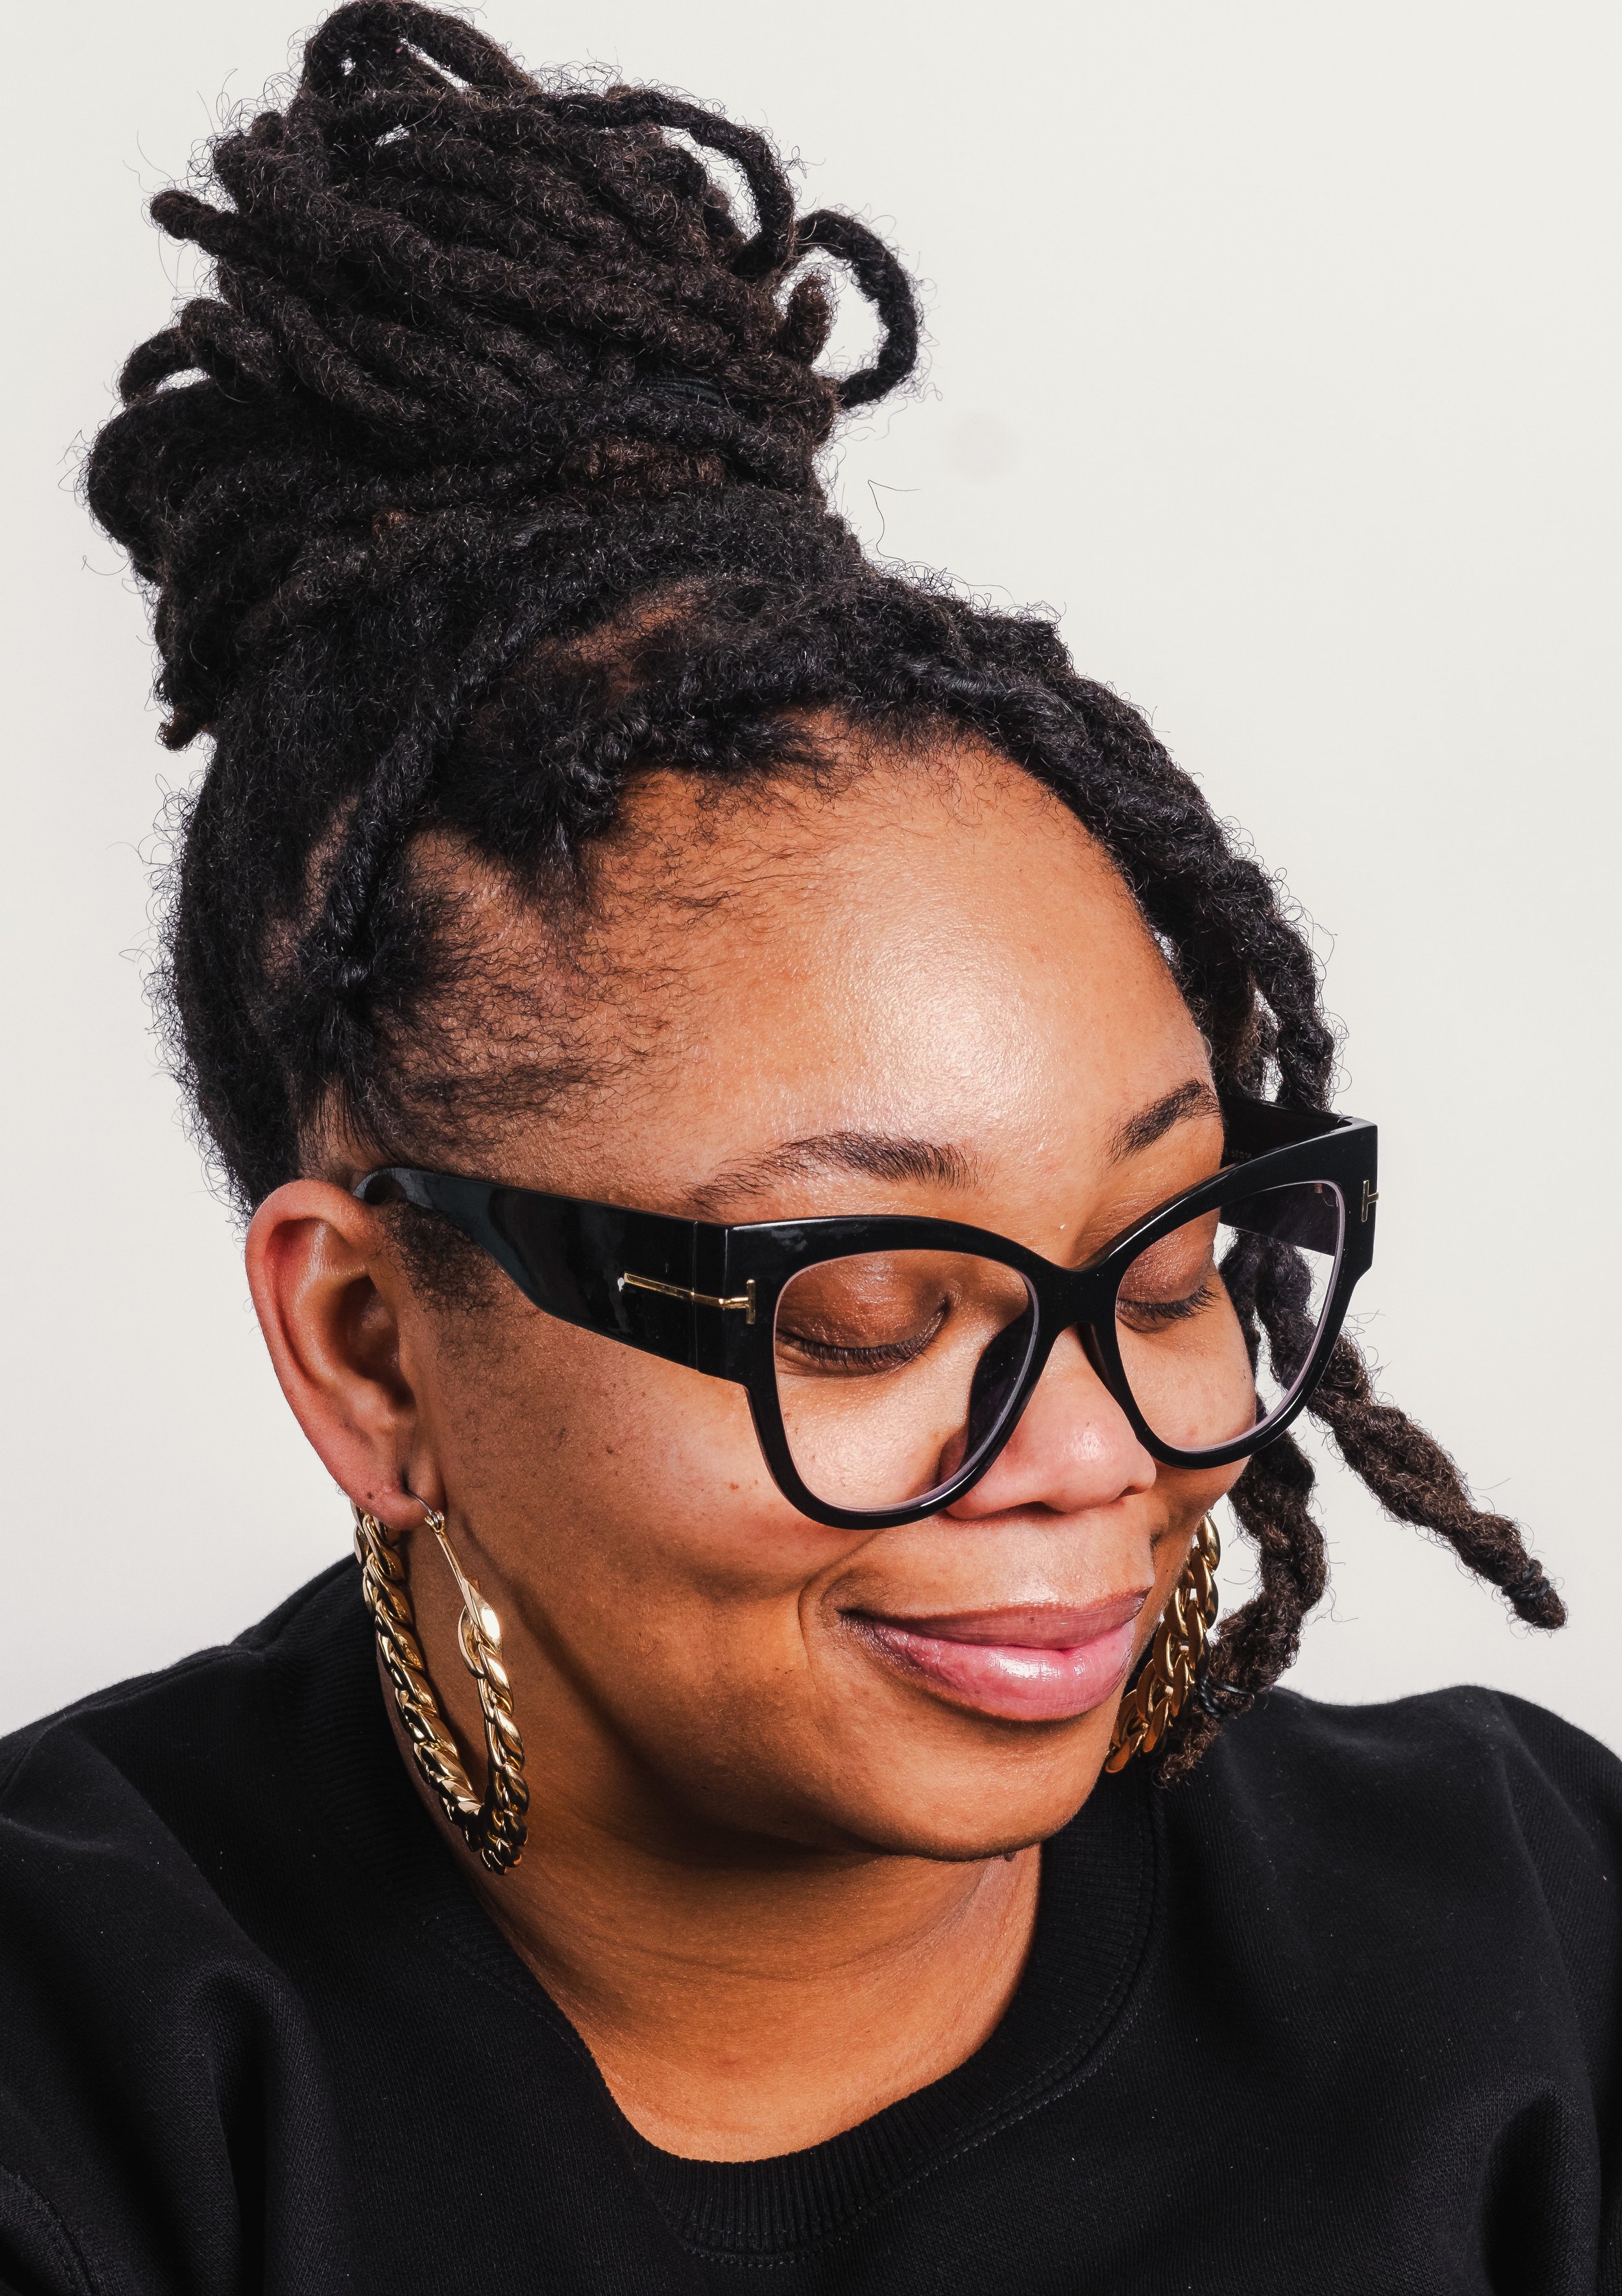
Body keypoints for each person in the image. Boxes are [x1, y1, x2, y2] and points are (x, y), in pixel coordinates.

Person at [3, 4, 1616, 2288]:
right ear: (373, 1348)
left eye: (1166, 1271)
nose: (1092, 1452)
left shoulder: (1530, 1944)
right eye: (861, 1311)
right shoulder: (86, 2087)